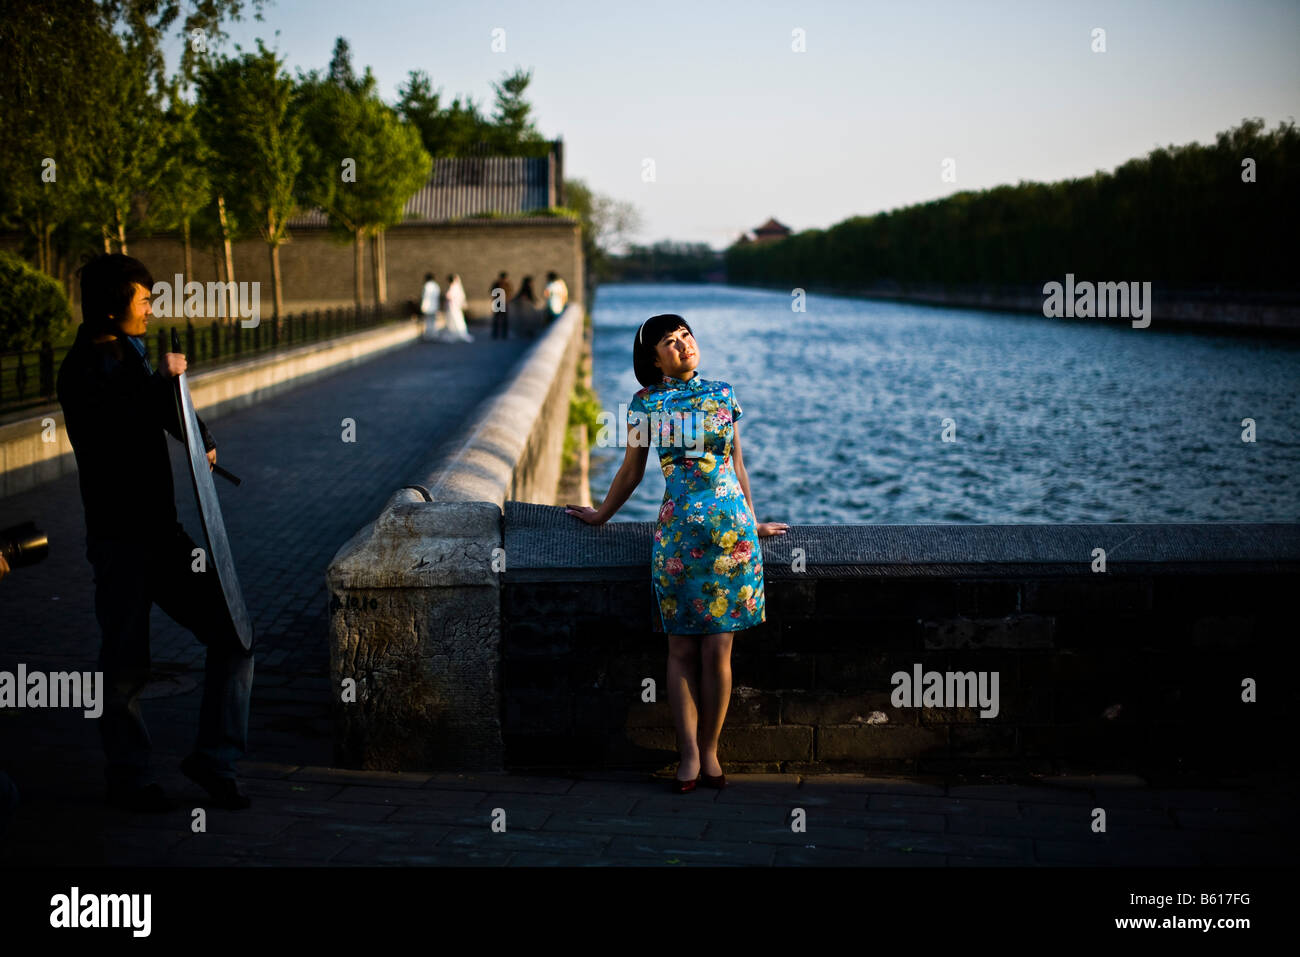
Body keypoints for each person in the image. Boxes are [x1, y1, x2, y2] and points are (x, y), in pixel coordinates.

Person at [56, 253, 254, 813]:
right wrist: (163, 381)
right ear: (115, 305)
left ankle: (214, 759)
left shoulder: (129, 359)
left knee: (234, 637)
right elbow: (117, 424)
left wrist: (202, 436)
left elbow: (159, 409)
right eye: (143, 299)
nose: (150, 308)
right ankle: (129, 778)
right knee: (124, 668)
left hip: (163, 537)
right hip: (119, 542)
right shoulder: (83, 369)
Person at [566, 314, 788, 793]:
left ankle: (710, 751)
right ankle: (687, 752)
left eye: (686, 335)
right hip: (679, 538)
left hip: (732, 536)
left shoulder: (724, 393)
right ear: (653, 357)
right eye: (671, 341)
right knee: (682, 647)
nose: (683, 345)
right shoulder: (646, 403)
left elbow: (737, 464)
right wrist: (601, 515)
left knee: (719, 651)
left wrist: (752, 520)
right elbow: (631, 470)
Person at [438, 274, 472, 342]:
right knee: (456, 320)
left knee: (455, 320)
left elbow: (449, 296)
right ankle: (457, 333)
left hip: (453, 307)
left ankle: (456, 333)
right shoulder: (457, 287)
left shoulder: (454, 287)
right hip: (455, 307)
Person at [419, 271, 443, 342]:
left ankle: (428, 335)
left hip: (428, 306)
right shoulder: (436, 286)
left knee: (428, 321)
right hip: (435, 306)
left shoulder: (427, 286)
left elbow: (425, 297)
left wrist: (423, 306)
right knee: (433, 321)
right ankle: (434, 334)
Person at [490, 272, 513, 339]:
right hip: (500, 303)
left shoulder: (504, 284)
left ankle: (502, 334)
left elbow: (510, 292)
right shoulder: (498, 284)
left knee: (503, 320)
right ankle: (497, 334)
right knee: (498, 320)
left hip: (502, 303)